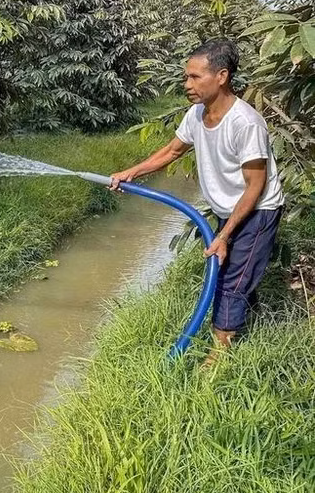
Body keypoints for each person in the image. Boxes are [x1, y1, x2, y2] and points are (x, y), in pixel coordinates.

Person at [111, 39, 285, 365]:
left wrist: (223, 235)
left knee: (229, 280)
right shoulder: (196, 114)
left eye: (194, 77)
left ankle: (217, 359)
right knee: (235, 271)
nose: (187, 84)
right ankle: (246, 325)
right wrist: (131, 172)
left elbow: (255, 187)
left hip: (258, 209)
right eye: (185, 77)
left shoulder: (245, 123)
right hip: (229, 207)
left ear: (222, 76)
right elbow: (172, 151)